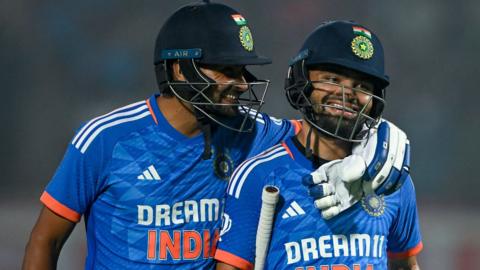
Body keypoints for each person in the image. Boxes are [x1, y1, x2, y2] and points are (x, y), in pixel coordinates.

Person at [22, 1, 409, 268]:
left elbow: (326, 129)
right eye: (226, 70)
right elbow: (46, 240)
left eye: (242, 71)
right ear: (178, 70)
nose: (241, 84)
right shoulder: (107, 139)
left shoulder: (251, 132)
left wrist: (386, 142)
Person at [215, 21, 422, 270]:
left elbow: (405, 264)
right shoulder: (258, 176)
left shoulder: (390, 178)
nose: (347, 95)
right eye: (332, 79)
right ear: (302, 81)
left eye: (362, 87)